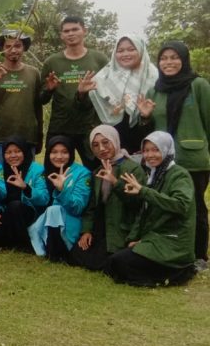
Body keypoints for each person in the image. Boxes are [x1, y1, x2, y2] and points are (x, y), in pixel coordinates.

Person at [142, 41, 210, 267]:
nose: (168, 62)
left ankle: (200, 255)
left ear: (184, 59)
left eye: (174, 57)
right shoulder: (155, 89)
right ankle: (172, 250)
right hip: (162, 160)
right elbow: (150, 129)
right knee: (165, 204)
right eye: (164, 58)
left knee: (195, 206)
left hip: (193, 158)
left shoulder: (198, 85)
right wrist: (144, 117)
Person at [106, 131, 197, 286]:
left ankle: (177, 274)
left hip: (173, 241)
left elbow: (180, 205)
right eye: (146, 150)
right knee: (112, 264)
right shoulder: (154, 175)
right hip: (155, 237)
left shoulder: (179, 175)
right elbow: (144, 212)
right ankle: (168, 275)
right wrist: (134, 239)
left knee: (120, 264)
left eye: (155, 149)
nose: (150, 155)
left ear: (166, 149)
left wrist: (143, 191)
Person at [69, 124, 142, 272]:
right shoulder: (98, 171)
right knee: (76, 255)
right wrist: (86, 231)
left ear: (115, 141)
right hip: (103, 226)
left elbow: (137, 204)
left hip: (124, 226)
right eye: (95, 145)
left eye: (105, 142)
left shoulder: (132, 168)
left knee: (108, 262)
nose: (101, 149)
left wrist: (116, 183)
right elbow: (92, 206)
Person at [39, 16, 108, 168]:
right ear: (61, 35)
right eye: (66, 31)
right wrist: (49, 90)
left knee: (97, 169)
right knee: (54, 170)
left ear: (84, 30)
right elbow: (41, 99)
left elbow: (109, 93)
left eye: (75, 29)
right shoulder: (52, 62)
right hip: (61, 126)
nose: (70, 34)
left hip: (90, 126)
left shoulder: (99, 59)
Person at [78, 33, 155, 152]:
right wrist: (81, 94)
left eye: (131, 49)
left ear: (140, 50)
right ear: (115, 53)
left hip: (148, 142)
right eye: (120, 50)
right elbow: (86, 111)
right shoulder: (104, 76)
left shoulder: (153, 76)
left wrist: (146, 117)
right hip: (112, 144)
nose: (125, 54)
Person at [0, 27, 43, 161]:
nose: (13, 50)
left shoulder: (33, 73)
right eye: (8, 46)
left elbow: (38, 106)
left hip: (27, 137)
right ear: (2, 49)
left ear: (24, 48)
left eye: (18, 46)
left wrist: (39, 136)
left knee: (25, 180)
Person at [27, 136, 91, 261]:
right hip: (47, 220)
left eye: (64, 152)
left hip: (72, 222)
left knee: (54, 210)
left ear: (71, 153)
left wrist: (63, 190)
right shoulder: (46, 171)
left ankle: (57, 252)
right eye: (54, 152)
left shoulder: (82, 173)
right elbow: (43, 199)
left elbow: (78, 208)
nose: (59, 156)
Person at [0, 136, 49, 251]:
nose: (13, 156)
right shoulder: (1, 170)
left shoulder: (37, 170)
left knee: (15, 206)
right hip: (7, 212)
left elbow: (44, 199)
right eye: (8, 152)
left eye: (17, 151)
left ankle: (23, 243)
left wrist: (26, 187)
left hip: (30, 212)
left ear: (25, 152)